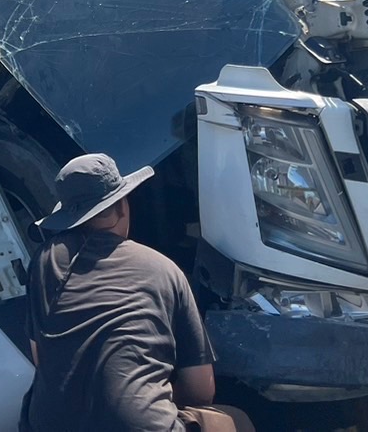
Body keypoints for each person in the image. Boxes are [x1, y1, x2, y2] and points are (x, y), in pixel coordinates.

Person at [23, 153, 253, 432]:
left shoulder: (44, 262)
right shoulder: (164, 270)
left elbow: (41, 357)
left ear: (69, 216)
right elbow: (201, 389)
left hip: (46, 426)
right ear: (122, 205)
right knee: (237, 421)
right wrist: (151, 401)